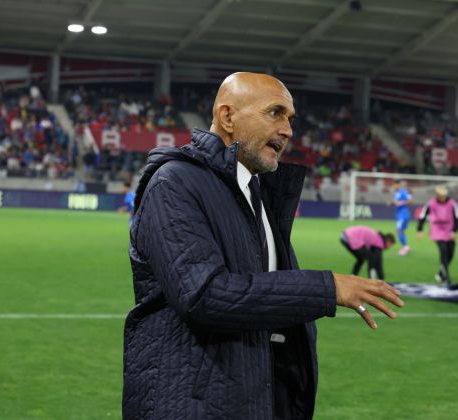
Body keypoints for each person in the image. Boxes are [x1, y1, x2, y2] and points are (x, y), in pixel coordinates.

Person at [122, 72, 404, 419]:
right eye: (275, 113)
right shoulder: (174, 183)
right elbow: (205, 296)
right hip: (190, 403)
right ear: (228, 117)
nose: (287, 130)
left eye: (290, 119)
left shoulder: (258, 192)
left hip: (252, 397)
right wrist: (325, 288)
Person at [417, 185, 458, 288]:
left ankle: (440, 274)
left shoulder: (452, 203)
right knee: (443, 252)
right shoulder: (431, 203)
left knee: (451, 253)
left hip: (449, 231)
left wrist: (454, 231)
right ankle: (446, 279)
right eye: (440, 195)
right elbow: (422, 216)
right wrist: (420, 229)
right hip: (436, 230)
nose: (442, 197)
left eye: (443, 195)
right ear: (436, 195)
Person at [388, 179, 413, 256]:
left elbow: (411, 201)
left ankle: (405, 247)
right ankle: (405, 246)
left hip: (403, 214)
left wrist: (400, 203)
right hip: (400, 214)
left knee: (399, 230)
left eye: (394, 184)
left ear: (398, 184)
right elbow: (397, 203)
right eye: (393, 185)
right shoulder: (397, 193)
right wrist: (392, 203)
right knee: (401, 231)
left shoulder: (403, 192)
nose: (393, 186)